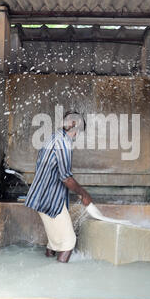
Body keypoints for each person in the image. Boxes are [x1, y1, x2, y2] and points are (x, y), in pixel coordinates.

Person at [25, 111, 92, 263]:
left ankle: (48, 274)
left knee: (54, 242)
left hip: (42, 197)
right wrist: (84, 194)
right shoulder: (63, 143)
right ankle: (59, 279)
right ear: (74, 126)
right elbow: (66, 178)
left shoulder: (54, 138)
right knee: (68, 242)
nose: (77, 135)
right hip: (50, 201)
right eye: (79, 130)